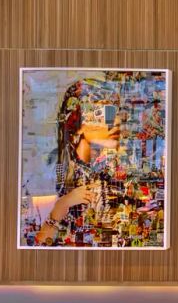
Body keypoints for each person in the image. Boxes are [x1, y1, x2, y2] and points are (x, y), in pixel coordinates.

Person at [35, 79, 122, 246]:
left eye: (115, 114)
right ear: (79, 124)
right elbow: (37, 243)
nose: (115, 124)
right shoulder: (54, 170)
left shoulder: (109, 172)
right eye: (106, 116)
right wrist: (64, 204)